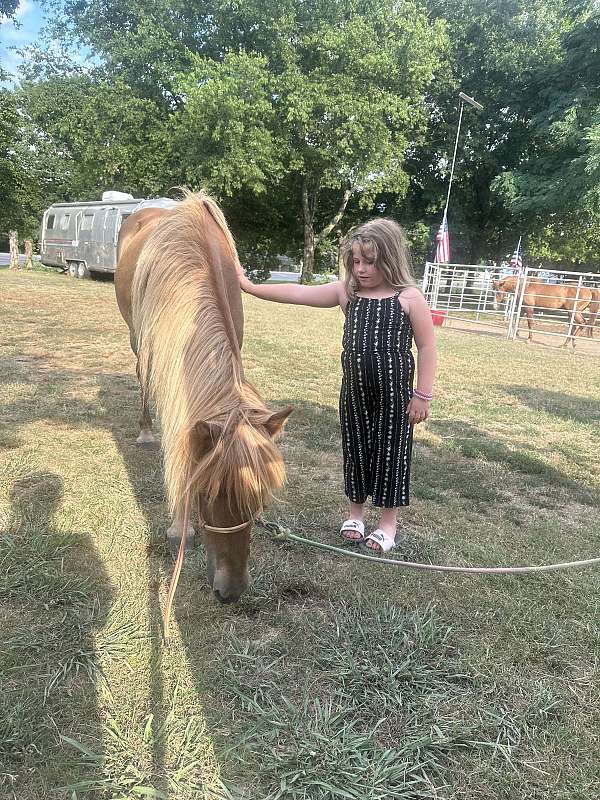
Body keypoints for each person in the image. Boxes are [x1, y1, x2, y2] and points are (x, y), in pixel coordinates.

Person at [237, 219, 437, 553]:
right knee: (356, 450)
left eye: (369, 262)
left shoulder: (409, 298)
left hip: (396, 397)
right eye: (355, 262)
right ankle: (355, 515)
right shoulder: (348, 294)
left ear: (390, 259)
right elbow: (298, 293)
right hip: (355, 393)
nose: (361, 269)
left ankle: (388, 523)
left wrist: (422, 395)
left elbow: (427, 347)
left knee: (391, 453)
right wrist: (250, 287)